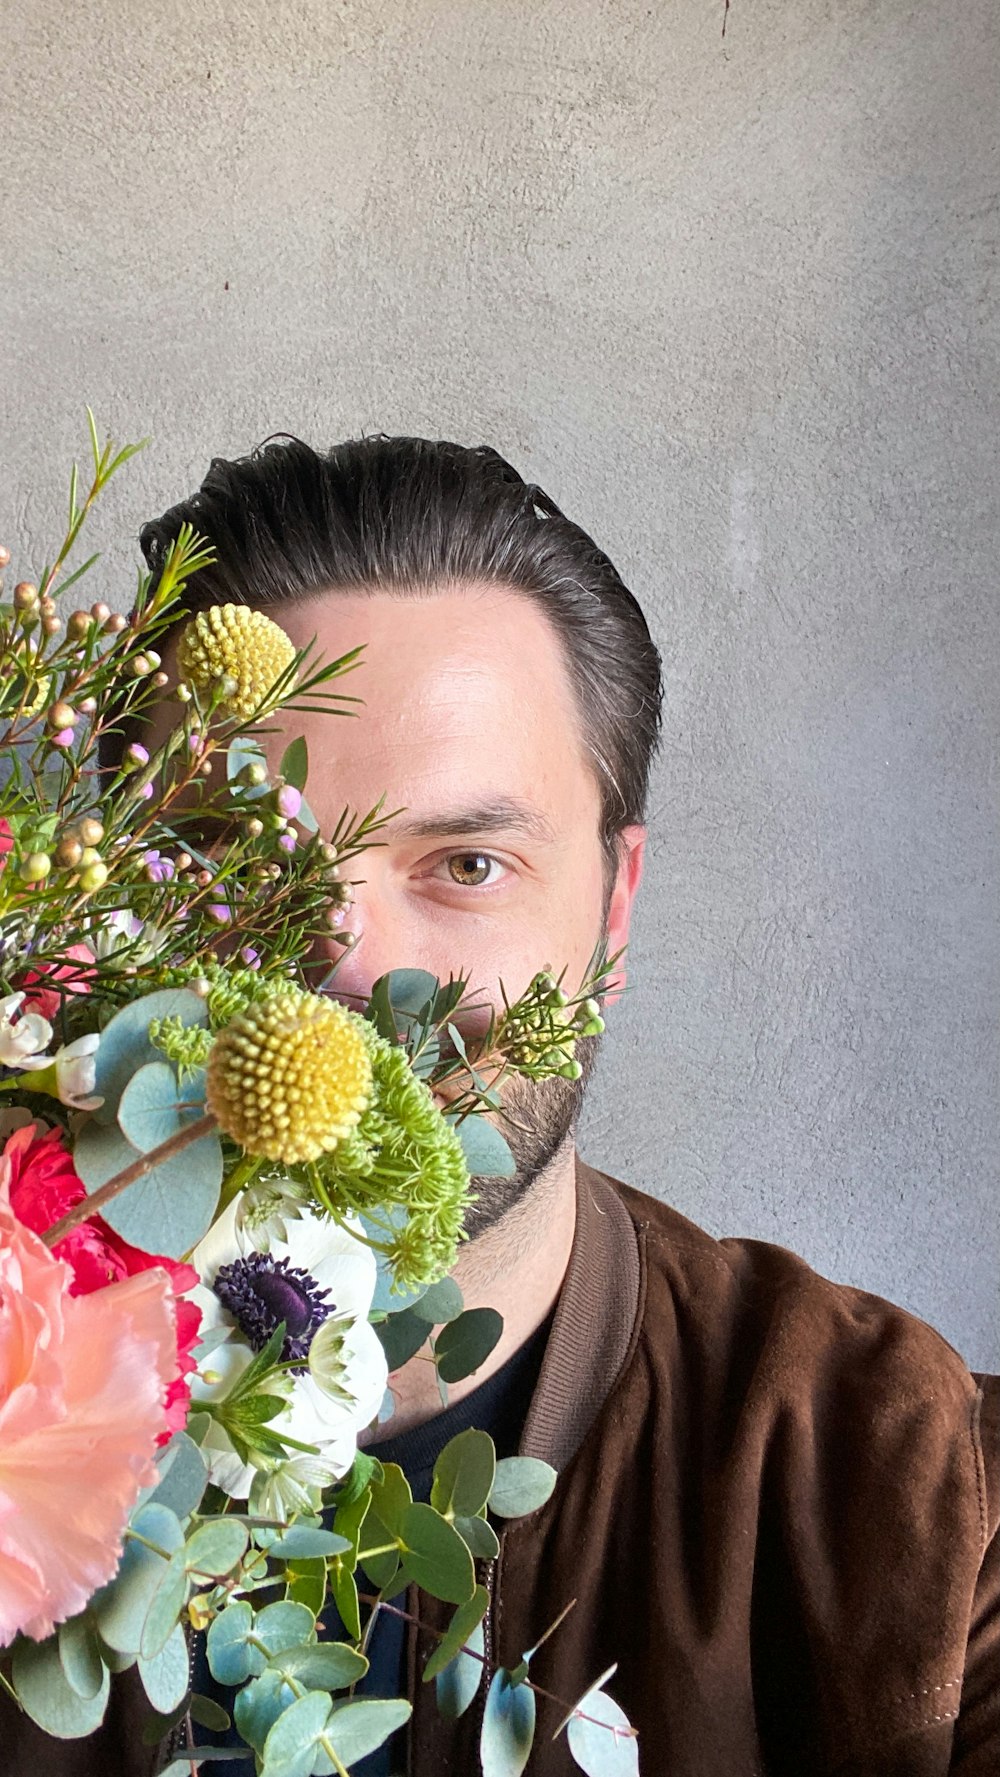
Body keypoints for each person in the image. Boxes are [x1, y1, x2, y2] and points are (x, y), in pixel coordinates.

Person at [6, 434, 998, 1775]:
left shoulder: (910, 1496)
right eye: (236, 860)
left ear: (614, 904)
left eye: (465, 862)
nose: (348, 969)